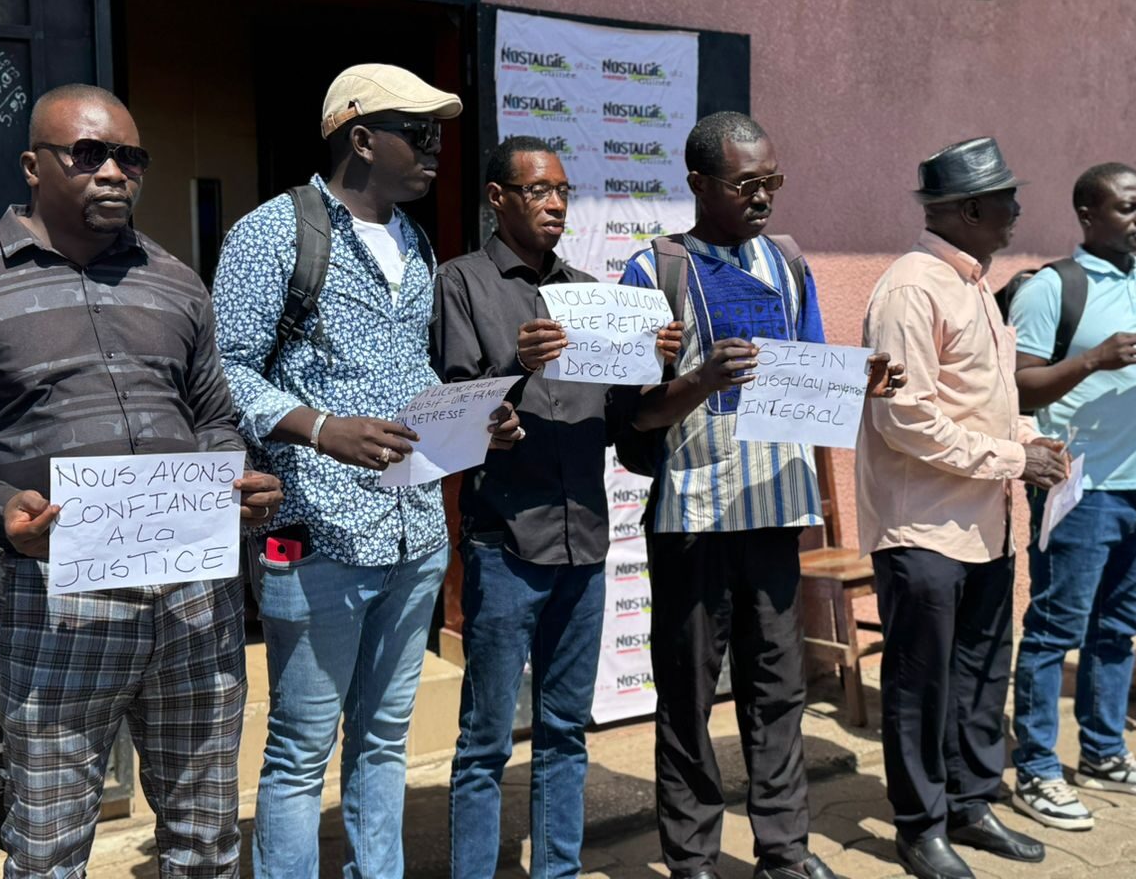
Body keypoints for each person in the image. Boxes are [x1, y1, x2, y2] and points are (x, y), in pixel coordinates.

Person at [0, 83, 283, 879]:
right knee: (49, 850)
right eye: (88, 154)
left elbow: (214, 417)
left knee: (207, 841)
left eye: (130, 158)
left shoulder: (175, 282)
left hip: (194, 601)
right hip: (61, 602)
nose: (114, 172)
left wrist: (232, 479)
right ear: (33, 166)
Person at [211, 64, 519, 879]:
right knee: (300, 749)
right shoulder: (273, 233)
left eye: (438, 136)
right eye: (417, 134)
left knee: (384, 739)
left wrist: (473, 422)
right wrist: (321, 429)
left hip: (414, 532)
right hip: (318, 537)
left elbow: (407, 373)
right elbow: (225, 370)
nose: (434, 151)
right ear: (361, 138)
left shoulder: (415, 241)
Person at [619, 111, 901, 879]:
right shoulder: (654, 272)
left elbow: (812, 380)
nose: (765, 197)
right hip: (692, 519)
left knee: (777, 691)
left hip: (776, 510)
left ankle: (785, 852)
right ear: (699, 184)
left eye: (773, 181)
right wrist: (699, 380)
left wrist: (860, 383)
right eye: (747, 184)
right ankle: (693, 859)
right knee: (687, 697)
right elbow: (633, 414)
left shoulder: (788, 264)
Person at [435, 134, 702, 878]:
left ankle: (557, 870)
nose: (555, 204)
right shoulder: (461, 283)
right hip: (505, 543)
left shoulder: (593, 296)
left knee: (563, 730)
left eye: (562, 192)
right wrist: (515, 367)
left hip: (585, 540)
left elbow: (624, 421)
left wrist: (663, 367)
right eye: (538, 191)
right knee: (486, 739)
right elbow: (456, 410)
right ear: (498, 199)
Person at [857, 137, 1066, 879]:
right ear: (971, 210)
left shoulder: (974, 283)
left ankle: (971, 805)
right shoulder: (911, 289)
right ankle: (920, 827)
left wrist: (1031, 442)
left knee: (979, 674)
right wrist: (1013, 459)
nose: (1018, 211)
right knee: (921, 683)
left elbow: (984, 399)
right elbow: (903, 417)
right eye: (1008, 199)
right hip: (923, 528)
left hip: (983, 524)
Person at [1008, 162, 1136, 830]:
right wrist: (1092, 359)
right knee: (1055, 629)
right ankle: (1037, 769)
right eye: (1127, 207)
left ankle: (1105, 753)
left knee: (1118, 630)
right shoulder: (1054, 287)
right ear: (1087, 212)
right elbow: (1017, 385)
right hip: (1084, 487)